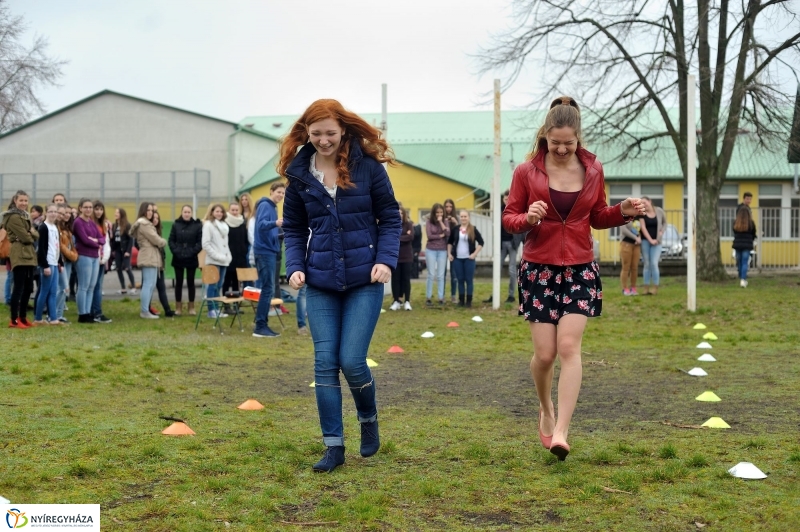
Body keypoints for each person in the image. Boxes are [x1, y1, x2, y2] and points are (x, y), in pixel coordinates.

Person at [502, 95, 644, 461]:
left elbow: (596, 215)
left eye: (569, 143)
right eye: (555, 143)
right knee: (545, 355)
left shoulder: (593, 170)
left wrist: (622, 212)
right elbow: (509, 218)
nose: (562, 149)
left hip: (580, 266)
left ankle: (563, 429)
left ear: (579, 138)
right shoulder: (525, 172)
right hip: (538, 268)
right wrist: (528, 218)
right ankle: (546, 409)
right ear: (545, 137)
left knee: (569, 348)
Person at [281, 99, 401, 472]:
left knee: (351, 360)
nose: (323, 141)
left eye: (330, 133)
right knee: (324, 363)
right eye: (316, 134)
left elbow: (390, 219)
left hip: (365, 278)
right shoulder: (300, 173)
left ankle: (368, 420)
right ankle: (333, 446)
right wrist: (295, 267)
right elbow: (294, 228)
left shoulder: (368, 167)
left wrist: (385, 260)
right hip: (320, 280)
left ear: (344, 130)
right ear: (306, 133)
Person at [252, 183, 285, 338]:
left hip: (269, 251)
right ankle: (260, 326)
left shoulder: (273, 207)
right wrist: (276, 223)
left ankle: (261, 323)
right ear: (271, 191)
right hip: (264, 253)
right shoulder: (266, 205)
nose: (280, 195)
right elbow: (261, 225)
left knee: (268, 289)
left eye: (283, 193)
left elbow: (268, 231)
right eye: (278, 192)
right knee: (267, 289)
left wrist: (279, 233)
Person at [2, 191, 39, 328]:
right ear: (15, 201)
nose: (23, 203)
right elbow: (26, 237)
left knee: (29, 287)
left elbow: (36, 234)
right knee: (18, 287)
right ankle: (14, 320)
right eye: (21, 200)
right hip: (19, 254)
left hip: (29, 254)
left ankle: (22, 318)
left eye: (25, 200)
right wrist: (30, 234)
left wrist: (31, 234)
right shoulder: (13, 217)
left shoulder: (26, 216)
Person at [486, 190, 524, 304]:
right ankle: (494, 295)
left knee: (512, 270)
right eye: (504, 198)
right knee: (496, 268)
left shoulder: (516, 209)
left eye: (508, 198)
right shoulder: (499, 210)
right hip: (501, 244)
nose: (506, 200)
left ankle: (511, 295)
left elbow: (521, 227)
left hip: (512, 243)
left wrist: (519, 241)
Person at [129, 202, 166, 319]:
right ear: (143, 211)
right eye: (148, 210)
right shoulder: (145, 224)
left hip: (151, 255)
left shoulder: (145, 223)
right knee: (148, 284)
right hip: (148, 256)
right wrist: (163, 241)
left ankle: (146, 310)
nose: (150, 212)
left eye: (151, 210)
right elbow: (156, 240)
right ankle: (144, 311)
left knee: (151, 285)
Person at [72, 198, 105, 324]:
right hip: (84, 256)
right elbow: (85, 240)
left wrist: (96, 240)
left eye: (90, 207)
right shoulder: (78, 222)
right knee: (83, 286)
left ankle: (88, 313)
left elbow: (102, 239)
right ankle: (82, 313)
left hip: (94, 257)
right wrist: (96, 242)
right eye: (85, 207)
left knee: (91, 286)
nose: (88, 209)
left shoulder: (91, 222)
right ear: (80, 208)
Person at [168, 205, 202, 316]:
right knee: (179, 282)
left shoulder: (197, 225)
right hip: (178, 257)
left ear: (191, 213)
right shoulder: (176, 225)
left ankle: (191, 307)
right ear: (182, 213)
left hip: (191, 257)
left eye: (188, 212)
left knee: (191, 282)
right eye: (185, 212)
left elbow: (200, 242)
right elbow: (171, 240)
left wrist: (191, 252)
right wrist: (177, 251)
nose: (187, 214)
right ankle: (178, 307)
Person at [447, 209, 484, 307]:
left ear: (469, 217)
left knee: (469, 280)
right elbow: (450, 242)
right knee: (460, 279)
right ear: (459, 217)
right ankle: (461, 300)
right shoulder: (455, 229)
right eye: (462, 216)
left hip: (469, 259)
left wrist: (474, 254)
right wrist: (449, 254)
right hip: (457, 259)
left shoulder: (473, 229)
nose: (463, 218)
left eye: (465, 216)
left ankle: (469, 301)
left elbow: (481, 242)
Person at [33, 204, 63, 325]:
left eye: (55, 211)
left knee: (53, 291)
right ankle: (38, 318)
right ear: (46, 212)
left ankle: (54, 318)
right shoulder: (43, 227)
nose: (53, 214)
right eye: (50, 211)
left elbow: (57, 246)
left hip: (54, 263)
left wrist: (60, 262)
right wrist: (45, 265)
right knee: (44, 291)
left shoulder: (55, 227)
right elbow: (41, 249)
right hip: (48, 263)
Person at [201, 204, 232, 319]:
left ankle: (217, 308)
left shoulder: (224, 225)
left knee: (219, 285)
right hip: (213, 260)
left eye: (221, 212)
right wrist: (217, 256)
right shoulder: (208, 225)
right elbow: (206, 244)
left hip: (224, 260)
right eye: (217, 211)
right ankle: (211, 310)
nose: (219, 213)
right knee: (212, 286)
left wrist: (228, 256)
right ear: (212, 212)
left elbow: (225, 244)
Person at [90, 201, 113, 323]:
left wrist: (104, 259)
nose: (98, 212)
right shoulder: (90, 224)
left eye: (101, 209)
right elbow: (93, 242)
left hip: (101, 260)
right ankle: (91, 312)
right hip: (92, 258)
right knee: (91, 286)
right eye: (96, 209)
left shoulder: (104, 225)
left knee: (98, 286)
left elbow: (106, 243)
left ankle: (97, 312)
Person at [639, 196, 666, 296]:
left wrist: (661, 232)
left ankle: (655, 287)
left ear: (650, 201)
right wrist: (650, 240)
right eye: (642, 203)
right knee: (647, 264)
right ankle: (646, 287)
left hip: (657, 242)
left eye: (645, 202)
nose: (644, 204)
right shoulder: (642, 213)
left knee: (654, 263)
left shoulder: (659, 211)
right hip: (646, 241)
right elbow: (643, 228)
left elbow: (665, 223)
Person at [150, 212, 175, 317]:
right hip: (150, 263)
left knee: (161, 287)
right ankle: (147, 309)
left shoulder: (158, 231)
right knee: (149, 287)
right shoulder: (148, 231)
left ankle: (167, 310)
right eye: (153, 218)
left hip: (159, 264)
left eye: (157, 218)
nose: (155, 220)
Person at [222, 202, 249, 303]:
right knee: (227, 281)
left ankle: (236, 304)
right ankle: (226, 304)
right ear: (229, 210)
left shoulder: (242, 223)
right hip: (228, 257)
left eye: (236, 210)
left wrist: (244, 251)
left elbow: (245, 240)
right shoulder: (225, 223)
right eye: (232, 210)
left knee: (237, 282)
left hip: (240, 257)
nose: (234, 212)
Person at [425, 203, 450, 306]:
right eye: (437, 212)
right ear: (433, 213)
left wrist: (441, 222)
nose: (439, 214)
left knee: (440, 275)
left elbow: (448, 234)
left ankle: (441, 297)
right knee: (431, 274)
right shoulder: (428, 222)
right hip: (430, 249)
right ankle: (428, 297)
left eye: (441, 212)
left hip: (442, 250)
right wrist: (441, 235)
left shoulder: (445, 221)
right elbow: (429, 236)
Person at [389, 206, 414, 311]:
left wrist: (398, 238)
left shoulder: (409, 225)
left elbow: (410, 237)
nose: (399, 215)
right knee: (395, 279)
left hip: (407, 256)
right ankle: (396, 300)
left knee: (406, 279)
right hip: (395, 257)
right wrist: (403, 237)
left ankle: (407, 301)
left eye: (401, 213)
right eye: (397, 212)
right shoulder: (392, 225)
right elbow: (390, 237)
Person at [55, 204, 77, 323]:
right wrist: (72, 255)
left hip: (67, 261)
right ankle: (54, 315)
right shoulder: (57, 227)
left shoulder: (67, 227)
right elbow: (60, 246)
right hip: (60, 261)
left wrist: (73, 254)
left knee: (64, 288)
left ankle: (59, 314)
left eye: (68, 213)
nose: (67, 215)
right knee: (62, 288)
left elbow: (70, 245)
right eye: (64, 213)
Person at [112, 208, 136, 295]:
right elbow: (113, 239)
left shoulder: (127, 225)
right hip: (118, 249)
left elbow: (131, 239)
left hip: (125, 249)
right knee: (118, 268)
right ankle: (123, 288)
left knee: (127, 268)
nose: (115, 214)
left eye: (117, 212)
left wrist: (128, 251)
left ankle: (133, 287)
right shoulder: (114, 225)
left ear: (121, 214)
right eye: (115, 212)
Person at [732, 206, 757, 288]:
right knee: (745, 262)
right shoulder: (751, 223)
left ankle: (740, 275)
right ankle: (743, 279)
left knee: (739, 261)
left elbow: (734, 232)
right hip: (747, 244)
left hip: (737, 244)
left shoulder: (735, 222)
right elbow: (753, 234)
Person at [619, 217, 642, 295]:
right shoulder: (624, 216)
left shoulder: (639, 217)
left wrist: (639, 238)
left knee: (634, 267)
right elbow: (624, 230)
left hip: (636, 245)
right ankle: (624, 288)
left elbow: (641, 229)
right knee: (626, 267)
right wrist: (635, 237)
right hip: (626, 244)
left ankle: (633, 287)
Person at [443, 199, 458, 303]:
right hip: (442, 247)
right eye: (446, 207)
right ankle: (442, 295)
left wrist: (455, 222)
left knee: (454, 274)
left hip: (453, 248)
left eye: (450, 207)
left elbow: (460, 232)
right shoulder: (441, 218)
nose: (448, 209)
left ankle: (453, 295)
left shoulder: (456, 219)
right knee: (442, 274)